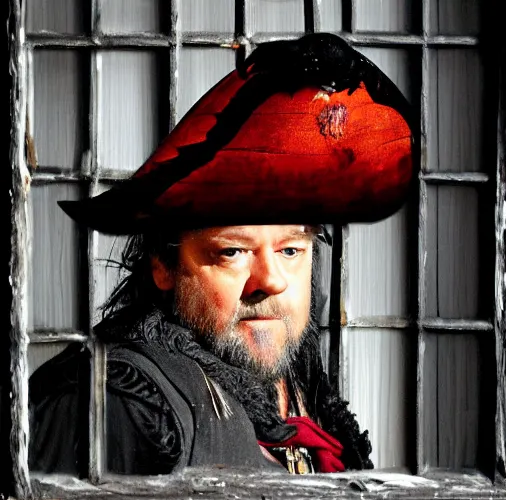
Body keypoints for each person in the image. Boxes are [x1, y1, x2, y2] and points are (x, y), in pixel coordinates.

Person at [29, 33, 414, 476]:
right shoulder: (112, 402)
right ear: (162, 263)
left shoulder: (305, 387)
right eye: (232, 251)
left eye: (290, 249)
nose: (271, 280)